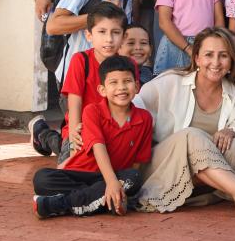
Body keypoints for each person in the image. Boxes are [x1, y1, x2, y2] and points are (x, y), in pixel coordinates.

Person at [135, 28, 235, 219]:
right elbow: (133, 106)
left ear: (231, 61)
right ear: (197, 58)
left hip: (200, 176)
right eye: (209, 55)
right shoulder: (170, 82)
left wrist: (231, 131)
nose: (216, 63)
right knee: (192, 135)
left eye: (223, 55)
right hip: (162, 165)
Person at [32, 55, 152, 219]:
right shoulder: (92, 111)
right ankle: (104, 199)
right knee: (42, 179)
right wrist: (112, 184)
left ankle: (60, 204)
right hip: (81, 173)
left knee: (133, 178)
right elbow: (98, 147)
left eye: (127, 81)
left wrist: (115, 183)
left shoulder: (145, 118)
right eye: (113, 82)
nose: (121, 88)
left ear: (137, 86)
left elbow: (138, 162)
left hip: (113, 176)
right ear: (102, 90)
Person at [30, 2, 136, 162]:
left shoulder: (128, 65)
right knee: (69, 163)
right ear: (89, 35)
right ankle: (42, 133)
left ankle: (43, 133)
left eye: (115, 32)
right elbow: (74, 103)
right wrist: (74, 143)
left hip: (113, 131)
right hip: (81, 129)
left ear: (124, 37)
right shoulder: (81, 60)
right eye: (102, 32)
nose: (109, 39)